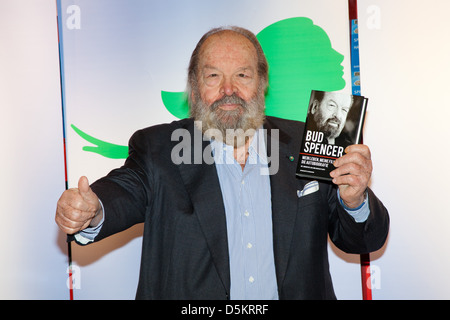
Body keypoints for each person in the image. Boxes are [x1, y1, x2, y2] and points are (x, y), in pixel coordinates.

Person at [55, 26, 389, 300]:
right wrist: (93, 208)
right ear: (195, 87)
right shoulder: (159, 149)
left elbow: (363, 241)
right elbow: (122, 192)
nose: (229, 90)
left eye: (242, 75)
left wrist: (354, 201)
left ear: (261, 82)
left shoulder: (309, 142)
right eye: (213, 75)